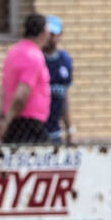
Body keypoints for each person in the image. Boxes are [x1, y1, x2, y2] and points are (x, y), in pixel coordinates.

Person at [0, 13, 52, 144]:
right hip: (28, 122)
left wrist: (2, 117)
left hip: (14, 119)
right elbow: (21, 94)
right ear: (42, 33)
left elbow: (4, 89)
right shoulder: (33, 56)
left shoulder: (13, 51)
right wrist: (6, 122)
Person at [43, 15, 75, 144]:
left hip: (55, 131)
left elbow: (64, 97)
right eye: (47, 34)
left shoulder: (64, 59)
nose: (49, 38)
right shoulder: (37, 58)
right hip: (36, 130)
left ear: (60, 34)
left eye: (53, 34)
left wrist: (69, 129)